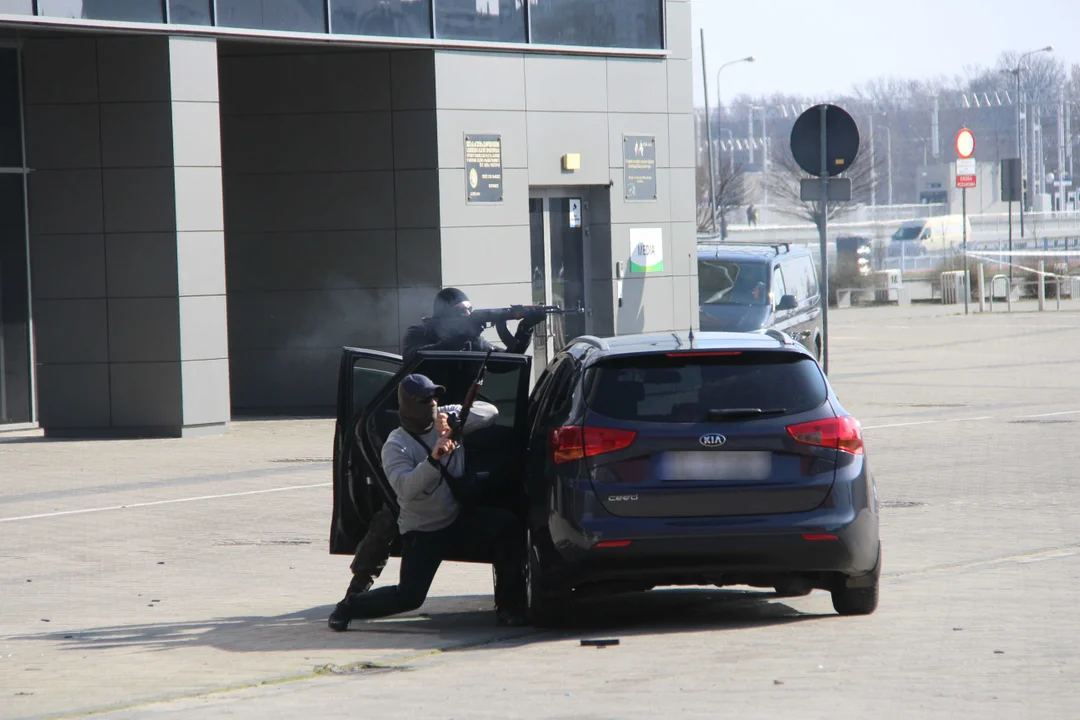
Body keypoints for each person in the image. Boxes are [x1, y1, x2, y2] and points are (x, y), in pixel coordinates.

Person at [336, 287, 541, 605]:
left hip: (458, 426)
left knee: (490, 505)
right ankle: (359, 587)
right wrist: (462, 334)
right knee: (394, 508)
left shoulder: (472, 338)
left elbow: (505, 362)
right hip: (418, 427)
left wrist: (524, 326)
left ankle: (508, 600)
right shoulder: (419, 333)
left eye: (470, 314)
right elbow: (419, 358)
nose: (469, 319)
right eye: (461, 314)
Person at [328, 374, 527, 630]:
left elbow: (491, 412)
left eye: (434, 397)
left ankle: (509, 607)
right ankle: (349, 606)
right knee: (410, 597)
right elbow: (406, 488)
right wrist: (434, 459)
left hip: (457, 518)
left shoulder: (444, 417)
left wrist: (458, 420)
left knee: (507, 526)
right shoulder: (396, 445)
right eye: (425, 399)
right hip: (424, 530)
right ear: (409, 405)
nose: (432, 403)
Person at [402, 287, 541, 363]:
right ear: (445, 314)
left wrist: (525, 329)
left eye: (470, 309)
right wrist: (462, 338)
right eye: (462, 310)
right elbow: (415, 358)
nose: (468, 314)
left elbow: (508, 363)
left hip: (463, 406)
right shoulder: (418, 333)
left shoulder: (474, 342)